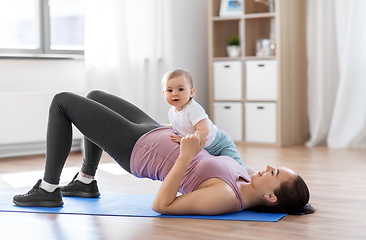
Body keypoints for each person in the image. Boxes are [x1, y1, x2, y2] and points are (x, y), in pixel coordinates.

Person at [13, 90, 313, 215]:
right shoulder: (246, 177)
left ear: (271, 197)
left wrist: (185, 156)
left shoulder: (226, 197)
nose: (268, 167)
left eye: (273, 173)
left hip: (137, 149)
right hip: (154, 130)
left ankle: (48, 189)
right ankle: (86, 181)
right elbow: (221, 144)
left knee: (62, 101)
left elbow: (163, 205)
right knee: (94, 97)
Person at [161, 69, 249, 172]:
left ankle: (250, 176)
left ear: (191, 92)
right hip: (205, 148)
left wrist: (186, 142)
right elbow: (179, 125)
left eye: (180, 89)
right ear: (164, 93)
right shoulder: (172, 112)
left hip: (220, 144)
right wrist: (163, 127)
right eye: (170, 90)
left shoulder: (193, 108)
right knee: (222, 171)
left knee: (237, 168)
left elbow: (203, 130)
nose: (175, 94)